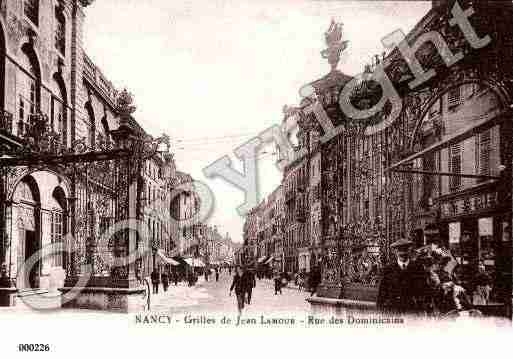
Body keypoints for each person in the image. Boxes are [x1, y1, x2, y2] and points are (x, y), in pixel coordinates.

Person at [376, 238, 427, 314]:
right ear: (395, 252)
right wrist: (381, 311)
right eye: (400, 250)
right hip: (394, 311)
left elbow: (423, 290)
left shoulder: (418, 268)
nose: (403, 253)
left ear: (409, 251)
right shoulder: (388, 269)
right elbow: (382, 294)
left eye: (405, 250)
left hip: (412, 311)